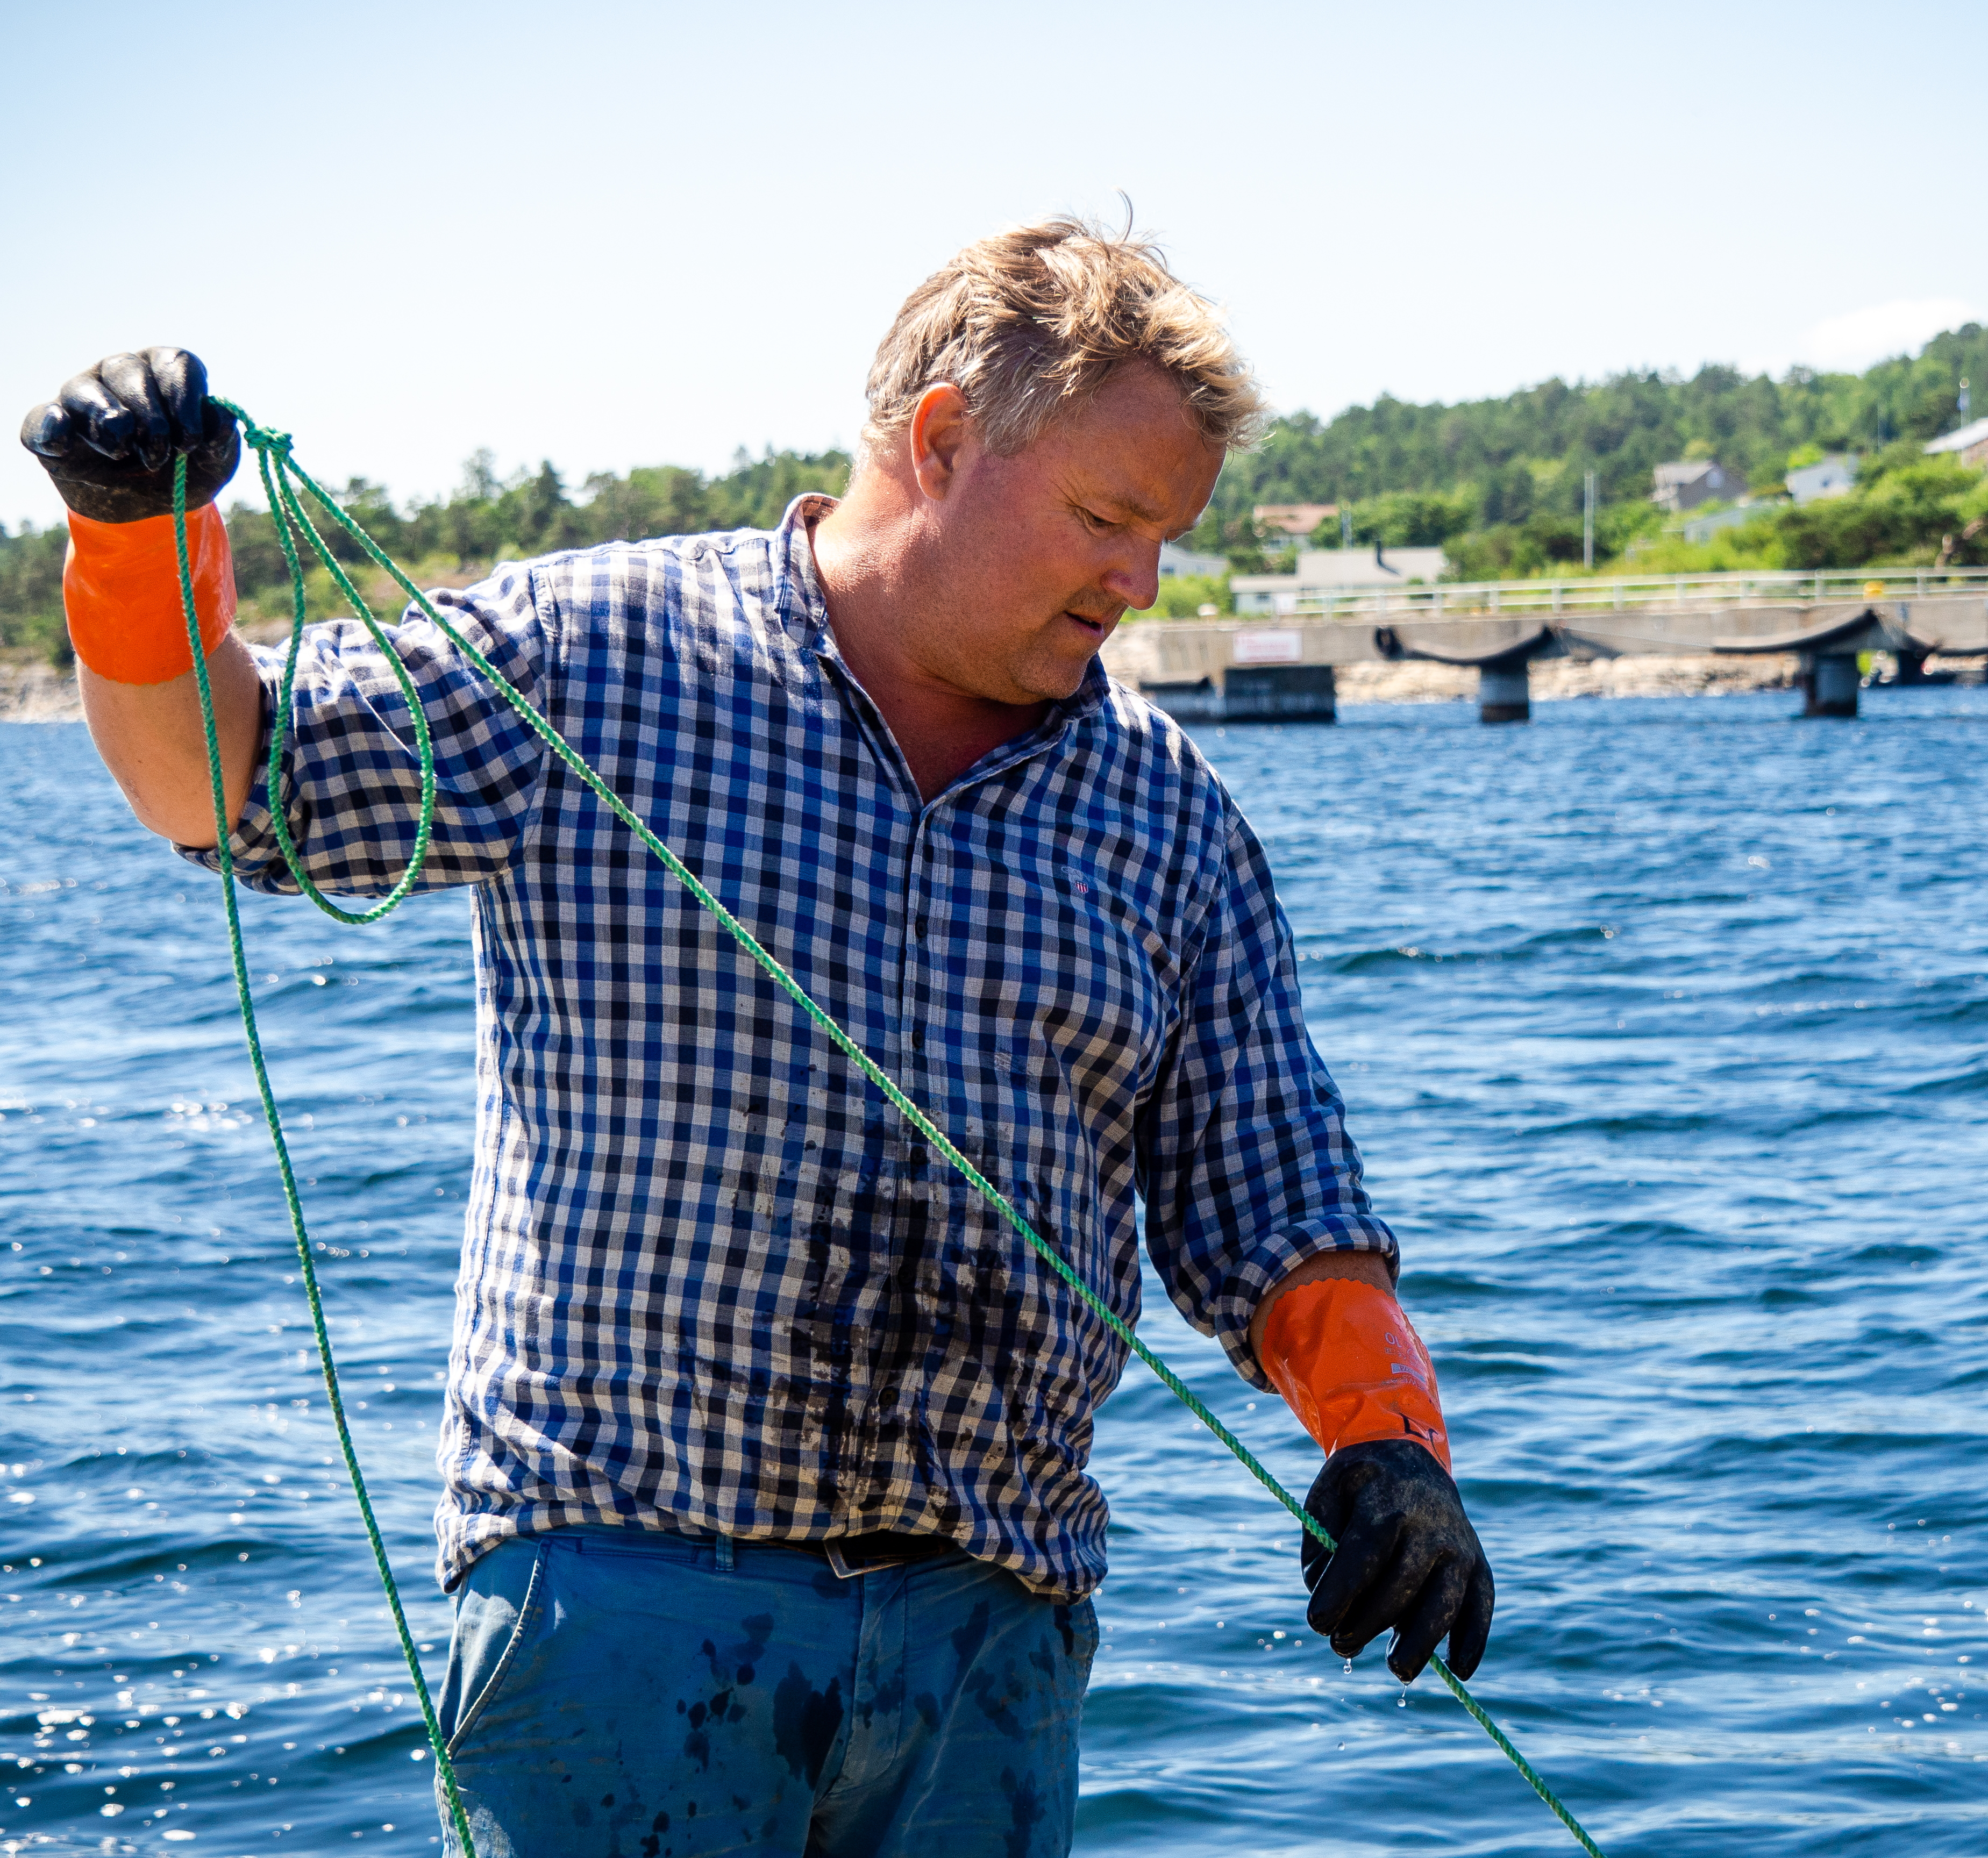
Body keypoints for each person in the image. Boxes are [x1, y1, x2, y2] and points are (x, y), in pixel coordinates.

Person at [20, 218, 1491, 1858]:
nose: (1141, 581)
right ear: (939, 442)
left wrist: (1390, 1451)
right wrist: (136, 540)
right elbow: (223, 782)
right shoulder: (600, 654)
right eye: (1105, 517)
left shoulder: (1167, 816)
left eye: (1166, 536)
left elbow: (1276, 1203)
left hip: (989, 1638)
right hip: (621, 1603)